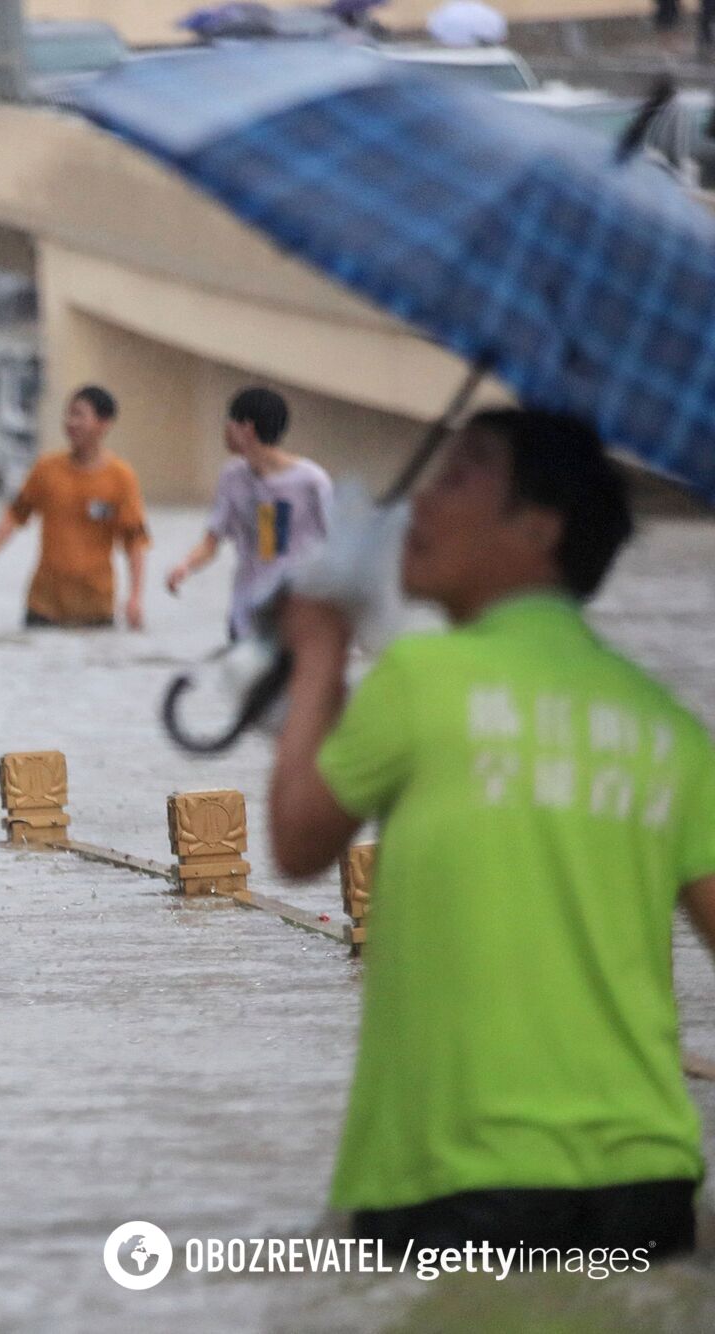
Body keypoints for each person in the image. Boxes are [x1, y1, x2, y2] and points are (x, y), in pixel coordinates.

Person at [269, 409, 715, 1257]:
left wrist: (319, 649)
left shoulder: (422, 679)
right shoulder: (670, 729)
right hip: (648, 1184)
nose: (422, 503)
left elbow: (298, 839)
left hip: (455, 1174)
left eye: (461, 474)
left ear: (538, 529)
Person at [0, 385, 150, 629]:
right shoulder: (46, 469)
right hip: (43, 607)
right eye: (69, 414)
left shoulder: (121, 478)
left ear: (104, 423)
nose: (71, 422)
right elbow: (14, 515)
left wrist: (135, 597)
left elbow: (135, 540)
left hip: (96, 608)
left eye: (79, 415)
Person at [166, 387, 335, 640]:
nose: (224, 430)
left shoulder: (312, 482)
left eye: (229, 422)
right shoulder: (233, 477)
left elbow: (337, 549)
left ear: (247, 428)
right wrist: (185, 567)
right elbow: (211, 542)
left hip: (295, 619)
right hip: (245, 615)